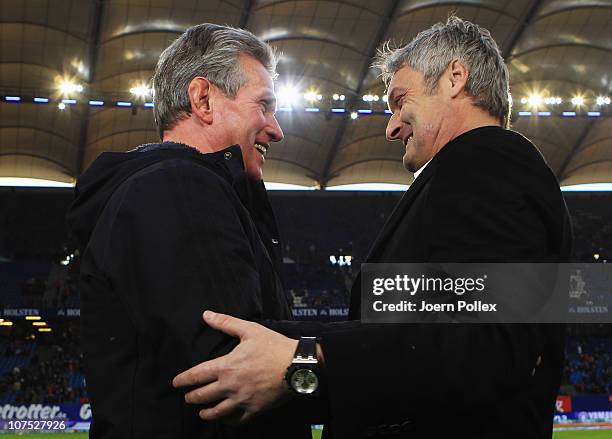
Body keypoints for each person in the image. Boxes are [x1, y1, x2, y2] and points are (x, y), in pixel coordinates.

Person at [173, 16, 572, 438]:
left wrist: (304, 359)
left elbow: (487, 346)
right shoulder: (474, 174)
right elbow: (407, 335)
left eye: (401, 101)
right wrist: (271, 340)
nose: (391, 126)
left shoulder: (491, 163)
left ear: (455, 77)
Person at [66, 23, 311, 439]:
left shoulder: (163, 189)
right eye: (264, 106)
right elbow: (234, 368)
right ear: (204, 99)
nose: (277, 129)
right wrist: (338, 356)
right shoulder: (177, 185)